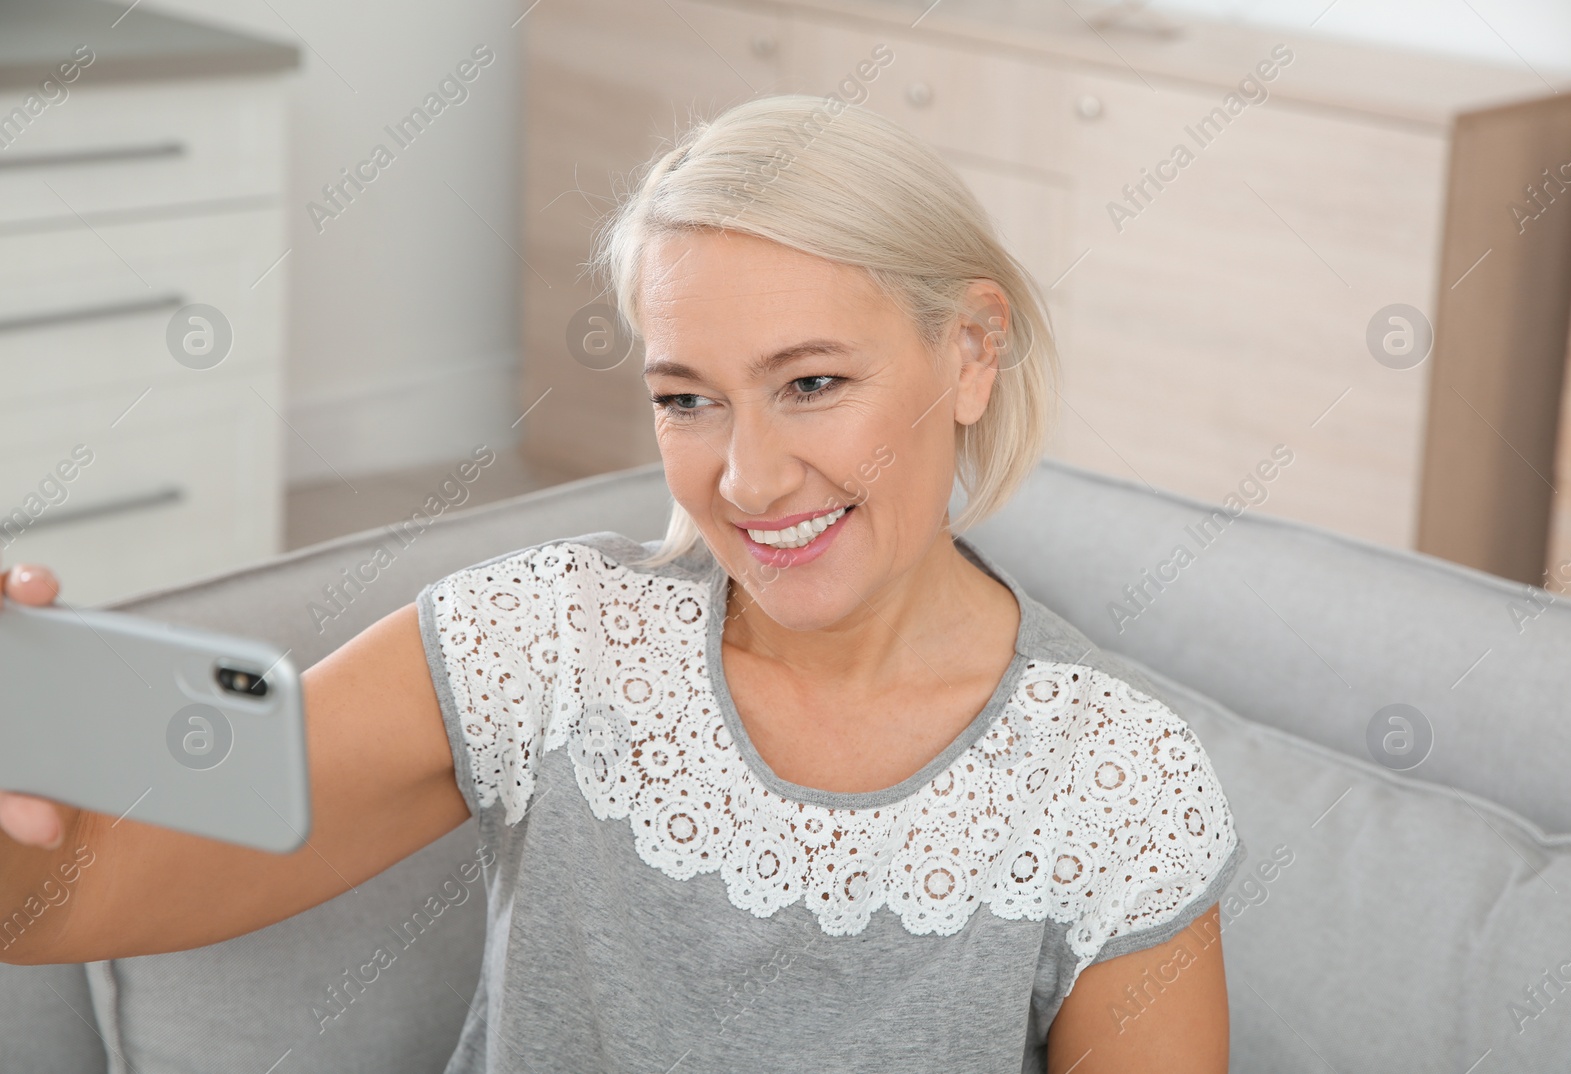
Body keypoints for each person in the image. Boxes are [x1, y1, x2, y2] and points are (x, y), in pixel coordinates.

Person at [0, 93, 1241, 1073]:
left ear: (970, 353)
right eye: (686, 398)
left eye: (812, 383)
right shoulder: (546, 640)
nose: (750, 479)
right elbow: (61, 905)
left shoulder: (1114, 782)